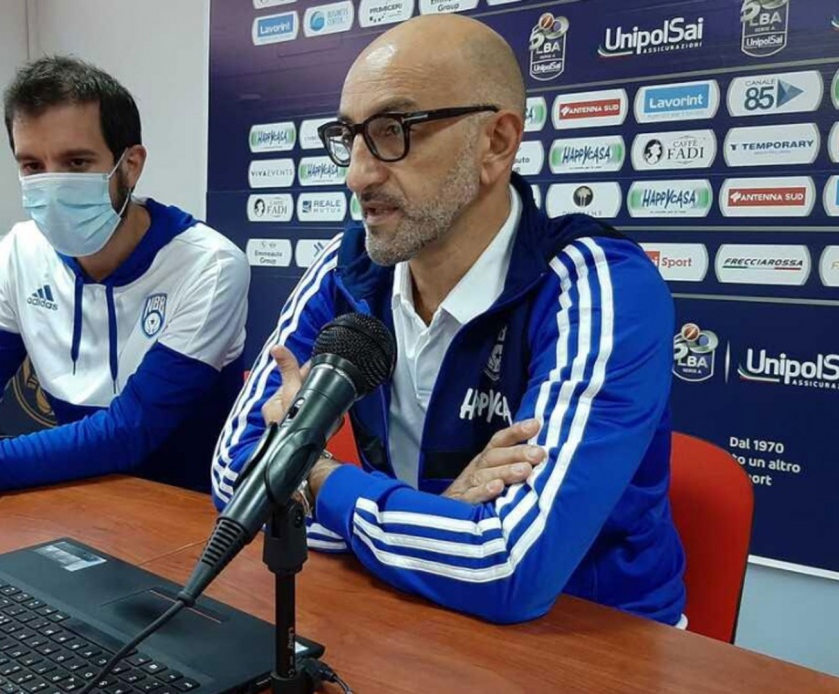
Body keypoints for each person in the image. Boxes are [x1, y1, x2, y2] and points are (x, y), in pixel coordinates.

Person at [212, 15, 686, 627]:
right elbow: (234, 479)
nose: (357, 175)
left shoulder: (597, 284)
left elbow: (509, 568)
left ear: (496, 143)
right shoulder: (346, 267)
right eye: (350, 137)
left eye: (394, 131)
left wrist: (314, 475)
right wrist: (446, 517)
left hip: (589, 639)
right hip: (414, 605)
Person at [0, 56, 250, 499]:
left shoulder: (210, 265)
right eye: (32, 166)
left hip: (189, 507)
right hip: (77, 494)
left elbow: (131, 430)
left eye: (76, 162)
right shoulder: (19, 250)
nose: (52, 185)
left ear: (130, 165)